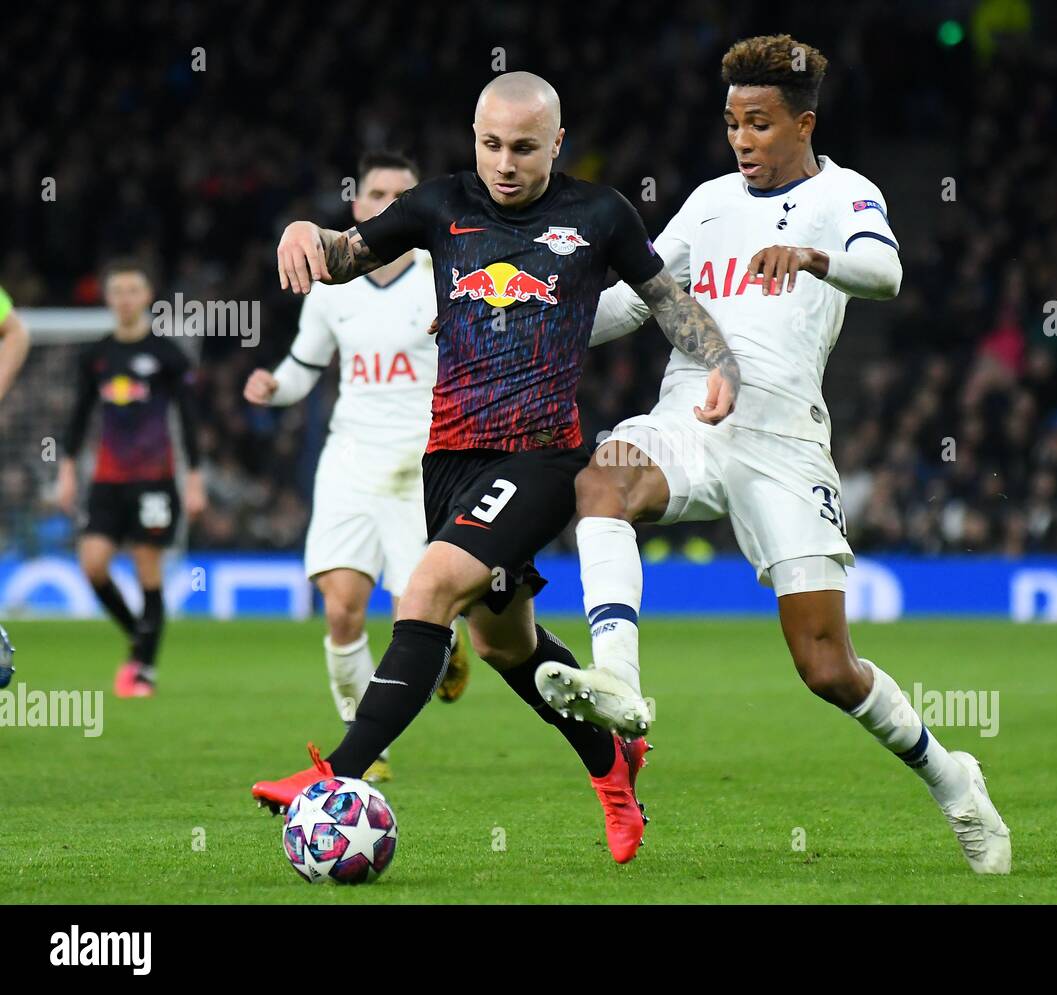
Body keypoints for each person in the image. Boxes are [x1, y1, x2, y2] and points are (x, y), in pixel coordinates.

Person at [538, 35, 1011, 874]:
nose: (742, 140)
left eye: (759, 124)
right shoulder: (711, 201)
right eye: (731, 124)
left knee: (826, 665)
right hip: (690, 413)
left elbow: (885, 273)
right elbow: (637, 302)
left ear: (804, 123)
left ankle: (953, 777)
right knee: (601, 482)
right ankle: (616, 677)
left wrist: (810, 255)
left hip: (785, 440)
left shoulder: (846, 194)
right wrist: (537, 314)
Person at [250, 71, 739, 864]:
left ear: (557, 144)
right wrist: (308, 230)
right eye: (490, 145)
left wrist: (722, 364)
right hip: (448, 460)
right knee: (508, 645)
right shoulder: (440, 205)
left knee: (429, 587)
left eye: (522, 147)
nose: (504, 163)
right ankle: (614, 770)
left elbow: (669, 300)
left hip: (542, 454)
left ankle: (333, 776)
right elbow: (345, 256)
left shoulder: (598, 214)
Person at [244, 151, 471, 785]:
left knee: (416, 617)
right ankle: (363, 745)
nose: (388, 205)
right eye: (377, 193)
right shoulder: (330, 288)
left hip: (422, 461)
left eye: (402, 196)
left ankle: (447, 647)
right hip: (350, 457)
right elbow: (304, 367)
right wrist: (273, 386)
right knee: (342, 608)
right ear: (356, 205)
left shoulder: (442, 274)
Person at [58, 260, 206, 697]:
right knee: (93, 564)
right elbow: (79, 415)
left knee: (148, 570)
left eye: (132, 290)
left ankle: (143, 668)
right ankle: (140, 637)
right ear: (108, 299)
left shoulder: (167, 355)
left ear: (146, 297)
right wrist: (67, 470)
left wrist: (194, 479)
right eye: (117, 291)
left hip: (154, 479)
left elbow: (189, 420)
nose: (124, 298)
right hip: (107, 480)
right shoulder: (96, 356)